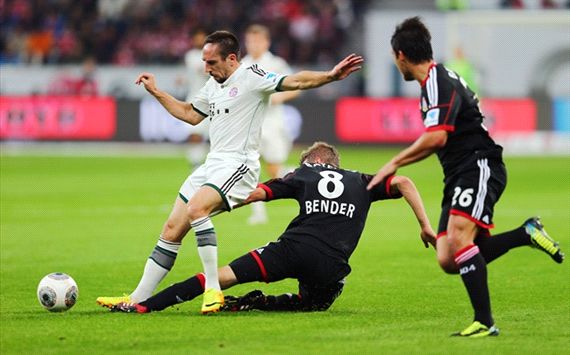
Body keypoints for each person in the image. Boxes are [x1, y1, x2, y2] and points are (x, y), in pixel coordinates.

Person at [96, 30, 364, 314]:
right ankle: (136, 298)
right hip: (213, 164)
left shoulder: (252, 76)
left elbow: (294, 80)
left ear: (232, 58)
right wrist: (157, 92)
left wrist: (330, 76)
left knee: (197, 209)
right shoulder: (212, 85)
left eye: (211, 62)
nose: (206, 68)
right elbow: (190, 114)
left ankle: (213, 289)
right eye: (204, 61)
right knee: (172, 229)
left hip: (239, 165)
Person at [366, 17, 564, 337]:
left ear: (400, 55)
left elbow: (437, 137)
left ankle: (485, 322)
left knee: (460, 239)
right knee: (447, 258)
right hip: (458, 173)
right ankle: (526, 233)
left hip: (479, 165)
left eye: (393, 57)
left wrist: (394, 163)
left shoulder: (437, 81)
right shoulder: (434, 81)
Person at [108, 142, 436, 314]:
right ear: (335, 163)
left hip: (290, 251)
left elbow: (256, 194)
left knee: (218, 277)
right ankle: (260, 302)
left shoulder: (302, 175)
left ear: (310, 162)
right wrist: (424, 226)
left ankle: (145, 305)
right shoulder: (362, 181)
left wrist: (214, 208)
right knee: (314, 303)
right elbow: (405, 180)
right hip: (332, 266)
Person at [241, 24, 301, 225]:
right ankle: (257, 213)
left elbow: (296, 87)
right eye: (250, 41)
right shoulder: (243, 65)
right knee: (250, 167)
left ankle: (304, 174)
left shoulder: (276, 63)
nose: (253, 45)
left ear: (266, 42)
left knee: (275, 170)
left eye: (257, 40)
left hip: (273, 123)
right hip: (251, 124)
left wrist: (279, 97)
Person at [183, 27, 210, 169]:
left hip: (212, 99)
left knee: (214, 137)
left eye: (202, 37)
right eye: (197, 37)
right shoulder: (191, 55)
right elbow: (203, 70)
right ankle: (195, 163)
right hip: (195, 99)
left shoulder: (212, 53)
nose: (199, 40)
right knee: (195, 134)